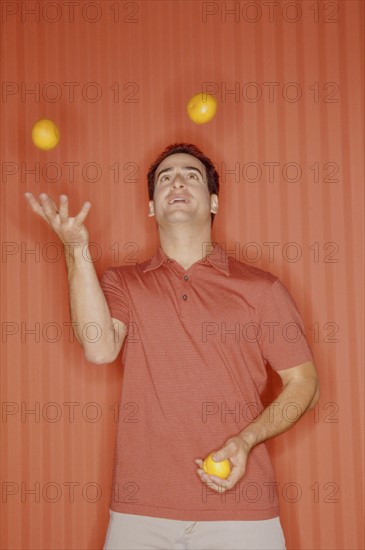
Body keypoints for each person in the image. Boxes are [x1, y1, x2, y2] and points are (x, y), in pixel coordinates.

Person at [25, 143, 320, 550]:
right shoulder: (123, 282)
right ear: (151, 207)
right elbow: (99, 349)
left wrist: (246, 440)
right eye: (165, 178)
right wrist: (75, 249)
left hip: (240, 511)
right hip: (140, 512)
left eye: (190, 176)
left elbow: (304, 382)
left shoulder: (260, 289)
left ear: (213, 200)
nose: (176, 181)